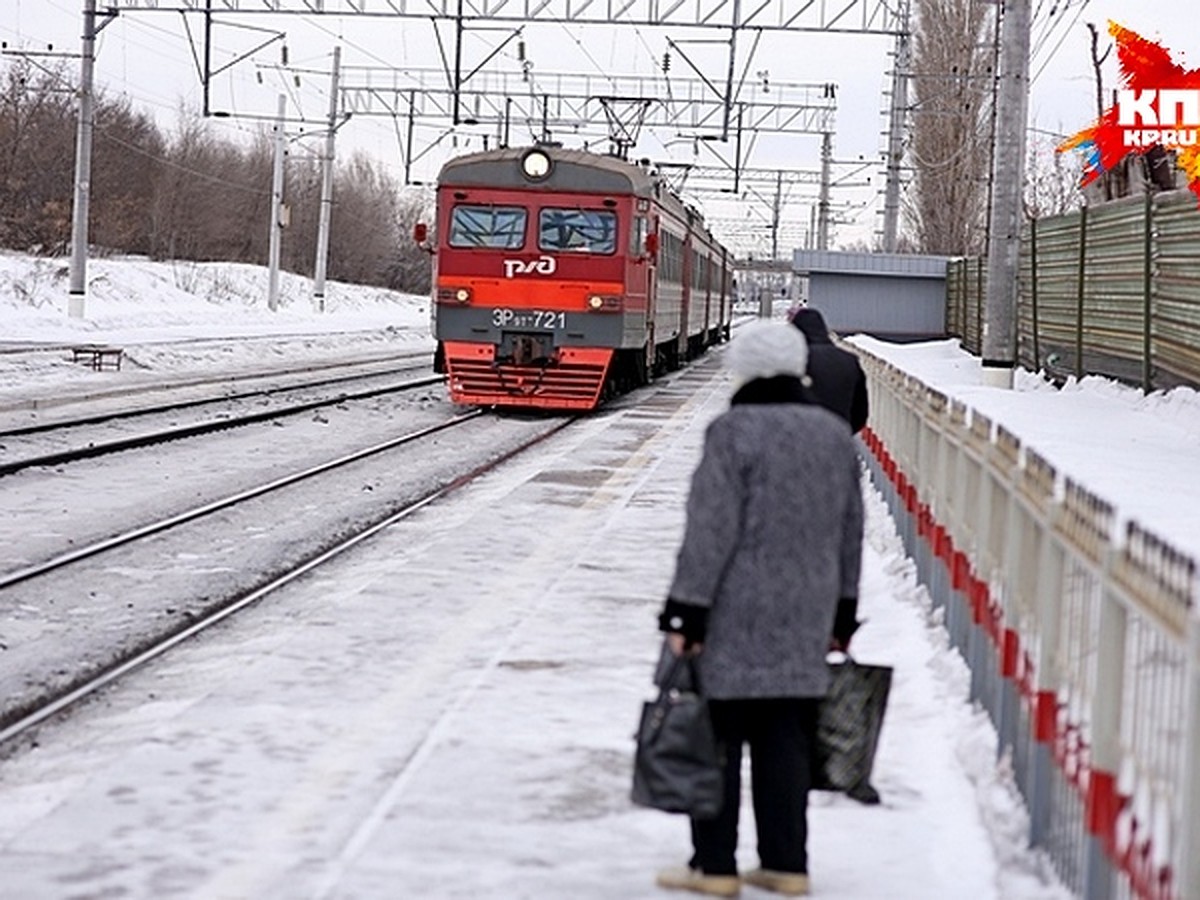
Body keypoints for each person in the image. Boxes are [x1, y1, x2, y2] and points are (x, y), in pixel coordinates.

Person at [654, 320, 864, 898]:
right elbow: (851, 532)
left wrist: (686, 611)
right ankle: (786, 864)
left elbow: (709, 531)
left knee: (717, 739)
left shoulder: (732, 432)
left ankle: (715, 867)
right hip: (808, 611)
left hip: (732, 612)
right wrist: (844, 612)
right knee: (785, 739)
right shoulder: (832, 435)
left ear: (743, 371)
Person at [789, 307, 869, 434]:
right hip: (837, 438)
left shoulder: (790, 360)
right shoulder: (849, 361)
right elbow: (860, 412)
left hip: (798, 437)